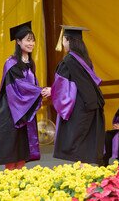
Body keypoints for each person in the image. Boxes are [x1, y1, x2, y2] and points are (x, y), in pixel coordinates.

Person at [41, 25, 105, 165]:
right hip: (92, 105)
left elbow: (63, 86)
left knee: (77, 146)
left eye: (63, 40)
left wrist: (52, 91)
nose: (63, 43)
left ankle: (79, 178)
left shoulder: (68, 61)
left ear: (68, 40)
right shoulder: (86, 60)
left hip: (79, 108)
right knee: (86, 144)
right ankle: (86, 176)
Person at [0, 21, 43, 170]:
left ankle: (20, 184)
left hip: (24, 111)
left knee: (22, 151)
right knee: (11, 152)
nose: (31, 43)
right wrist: (39, 91)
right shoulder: (11, 63)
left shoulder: (30, 63)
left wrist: (37, 91)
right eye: (27, 40)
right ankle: (9, 183)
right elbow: (19, 86)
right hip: (12, 111)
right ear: (18, 42)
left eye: (32, 40)